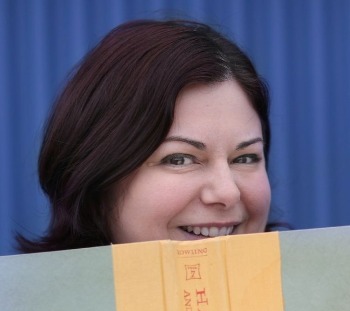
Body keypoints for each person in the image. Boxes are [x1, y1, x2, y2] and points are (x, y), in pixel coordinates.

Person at [18, 18, 272, 252]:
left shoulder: (307, 297)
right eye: (179, 159)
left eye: (245, 158)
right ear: (97, 178)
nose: (228, 193)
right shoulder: (25, 302)